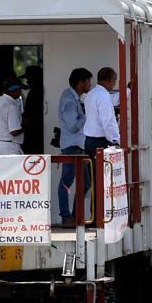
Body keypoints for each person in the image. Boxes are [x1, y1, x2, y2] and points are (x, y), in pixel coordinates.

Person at [57, 68, 93, 227]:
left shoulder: (73, 97)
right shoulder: (70, 101)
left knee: (85, 182)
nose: (90, 84)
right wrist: (86, 116)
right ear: (80, 83)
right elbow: (73, 126)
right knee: (66, 182)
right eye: (88, 81)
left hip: (78, 145)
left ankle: (75, 217)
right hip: (72, 146)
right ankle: (66, 217)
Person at [84, 67, 120, 155]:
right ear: (110, 80)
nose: (114, 84)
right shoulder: (104, 96)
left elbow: (113, 99)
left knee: (92, 164)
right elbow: (108, 121)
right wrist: (116, 140)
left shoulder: (91, 94)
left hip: (89, 141)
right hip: (101, 142)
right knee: (104, 165)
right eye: (115, 80)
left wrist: (128, 90)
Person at [0, 77, 27, 155]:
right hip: (9, 148)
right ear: (14, 89)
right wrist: (26, 125)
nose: (21, 92)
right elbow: (14, 131)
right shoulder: (12, 106)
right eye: (20, 89)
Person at [20, 66, 44, 155]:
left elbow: (28, 115)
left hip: (33, 132)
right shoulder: (41, 91)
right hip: (40, 132)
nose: (27, 82)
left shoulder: (34, 93)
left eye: (29, 79)